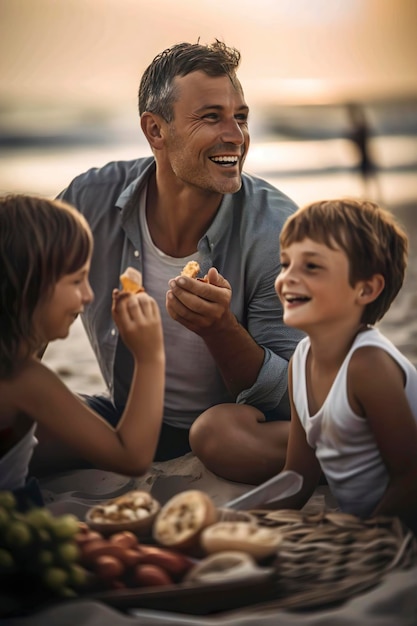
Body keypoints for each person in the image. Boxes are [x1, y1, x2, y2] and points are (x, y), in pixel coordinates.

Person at [31, 40, 304, 485]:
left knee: (219, 437)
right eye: (211, 117)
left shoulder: (278, 230)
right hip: (125, 416)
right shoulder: (89, 201)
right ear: (155, 131)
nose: (235, 135)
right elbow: (25, 300)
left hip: (233, 426)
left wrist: (221, 330)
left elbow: (292, 399)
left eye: (240, 117)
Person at [0, 193, 165, 500]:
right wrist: (150, 356)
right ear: (30, 289)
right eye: (77, 281)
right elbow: (132, 458)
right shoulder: (25, 379)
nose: (89, 295)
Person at [273, 198, 417, 533]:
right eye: (285, 264)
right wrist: (240, 519)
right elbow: (297, 475)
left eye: (311, 267)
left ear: (366, 288)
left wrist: (360, 535)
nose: (287, 278)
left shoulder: (368, 365)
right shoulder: (300, 361)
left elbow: (410, 479)